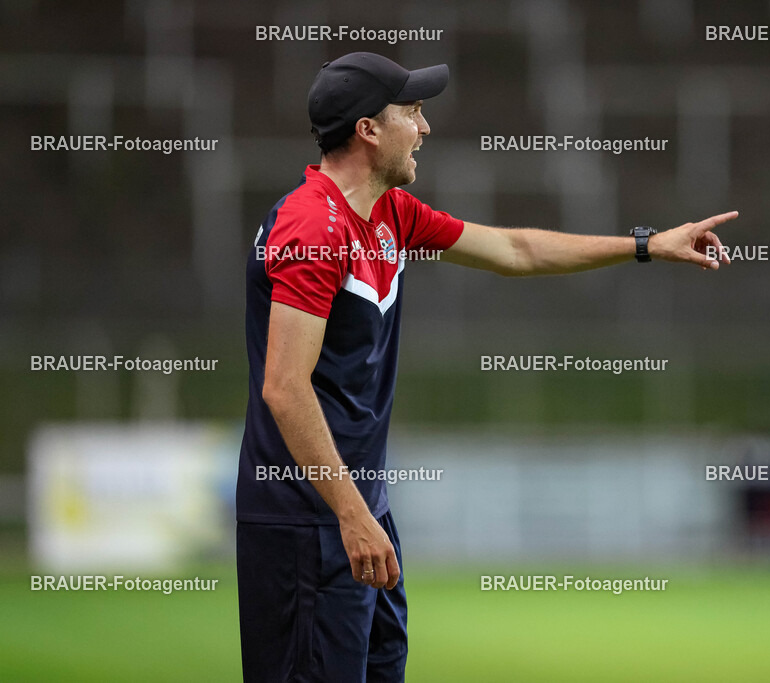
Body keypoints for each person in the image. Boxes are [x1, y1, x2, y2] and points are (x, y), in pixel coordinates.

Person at [236, 51, 737, 682]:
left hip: (356, 509)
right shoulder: (312, 226)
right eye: (412, 112)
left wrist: (646, 245)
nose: (425, 128)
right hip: (309, 517)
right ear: (367, 129)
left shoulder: (387, 213)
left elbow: (514, 248)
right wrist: (351, 514)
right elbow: (284, 387)